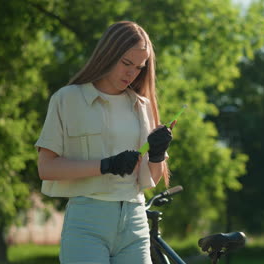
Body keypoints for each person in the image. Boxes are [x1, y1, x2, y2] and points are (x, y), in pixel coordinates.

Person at [35, 21, 173, 264]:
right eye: (126, 63)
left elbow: (151, 180)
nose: (131, 73)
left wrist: (157, 155)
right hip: (87, 221)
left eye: (139, 67)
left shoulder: (144, 106)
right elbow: (46, 168)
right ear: (108, 54)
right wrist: (106, 165)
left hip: (135, 220)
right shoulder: (68, 99)